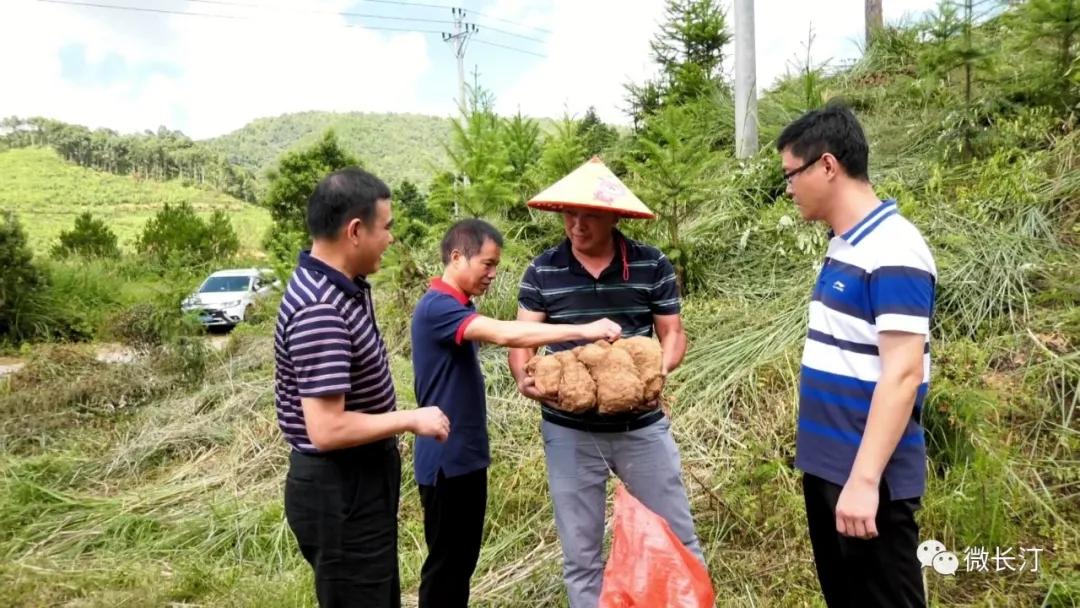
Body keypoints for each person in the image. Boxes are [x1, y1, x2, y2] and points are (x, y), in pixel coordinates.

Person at [507, 157, 704, 608]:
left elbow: (672, 333)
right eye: (569, 215)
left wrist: (657, 372)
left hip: (642, 427)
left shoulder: (651, 264)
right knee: (581, 554)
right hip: (569, 432)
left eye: (589, 215)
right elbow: (523, 341)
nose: (576, 225)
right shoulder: (543, 270)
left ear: (614, 216)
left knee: (675, 533)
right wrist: (525, 376)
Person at [411, 218, 622, 608]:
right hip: (446, 460)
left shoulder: (456, 304)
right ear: (457, 257)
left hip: (465, 458)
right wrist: (585, 329)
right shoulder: (437, 307)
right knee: (447, 568)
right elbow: (509, 335)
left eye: (496, 266)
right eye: (487, 264)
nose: (493, 274)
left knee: (459, 566)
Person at [778, 103, 936, 607]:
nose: (788, 188)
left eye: (791, 174)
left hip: (869, 479)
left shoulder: (894, 247)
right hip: (830, 469)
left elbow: (904, 374)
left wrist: (865, 481)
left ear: (827, 165)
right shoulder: (844, 243)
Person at [274, 167, 450, 608]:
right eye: (386, 227)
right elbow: (327, 429)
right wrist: (411, 419)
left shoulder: (343, 287)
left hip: (358, 480)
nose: (391, 238)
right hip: (341, 488)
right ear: (355, 231)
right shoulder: (321, 308)